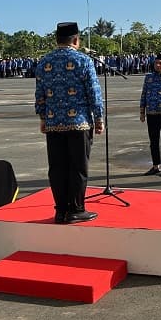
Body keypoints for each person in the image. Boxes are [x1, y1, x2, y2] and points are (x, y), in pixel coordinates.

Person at [35, 22, 104, 224]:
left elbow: (39, 95)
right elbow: (94, 93)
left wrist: (42, 118)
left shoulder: (44, 62)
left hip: (54, 123)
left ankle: (60, 210)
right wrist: (99, 118)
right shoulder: (83, 60)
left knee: (57, 167)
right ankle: (76, 209)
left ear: (57, 40)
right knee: (78, 167)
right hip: (78, 123)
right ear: (76, 40)